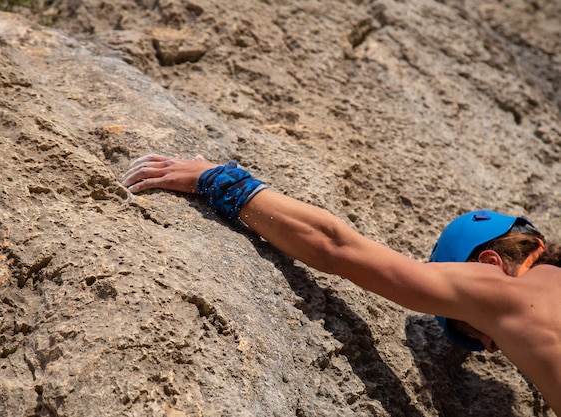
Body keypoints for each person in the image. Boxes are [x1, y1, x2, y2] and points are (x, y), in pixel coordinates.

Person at [122, 154, 561, 414]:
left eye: (474, 328)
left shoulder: (502, 289)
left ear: (490, 263)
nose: (492, 347)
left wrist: (218, 181)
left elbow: (336, 247)